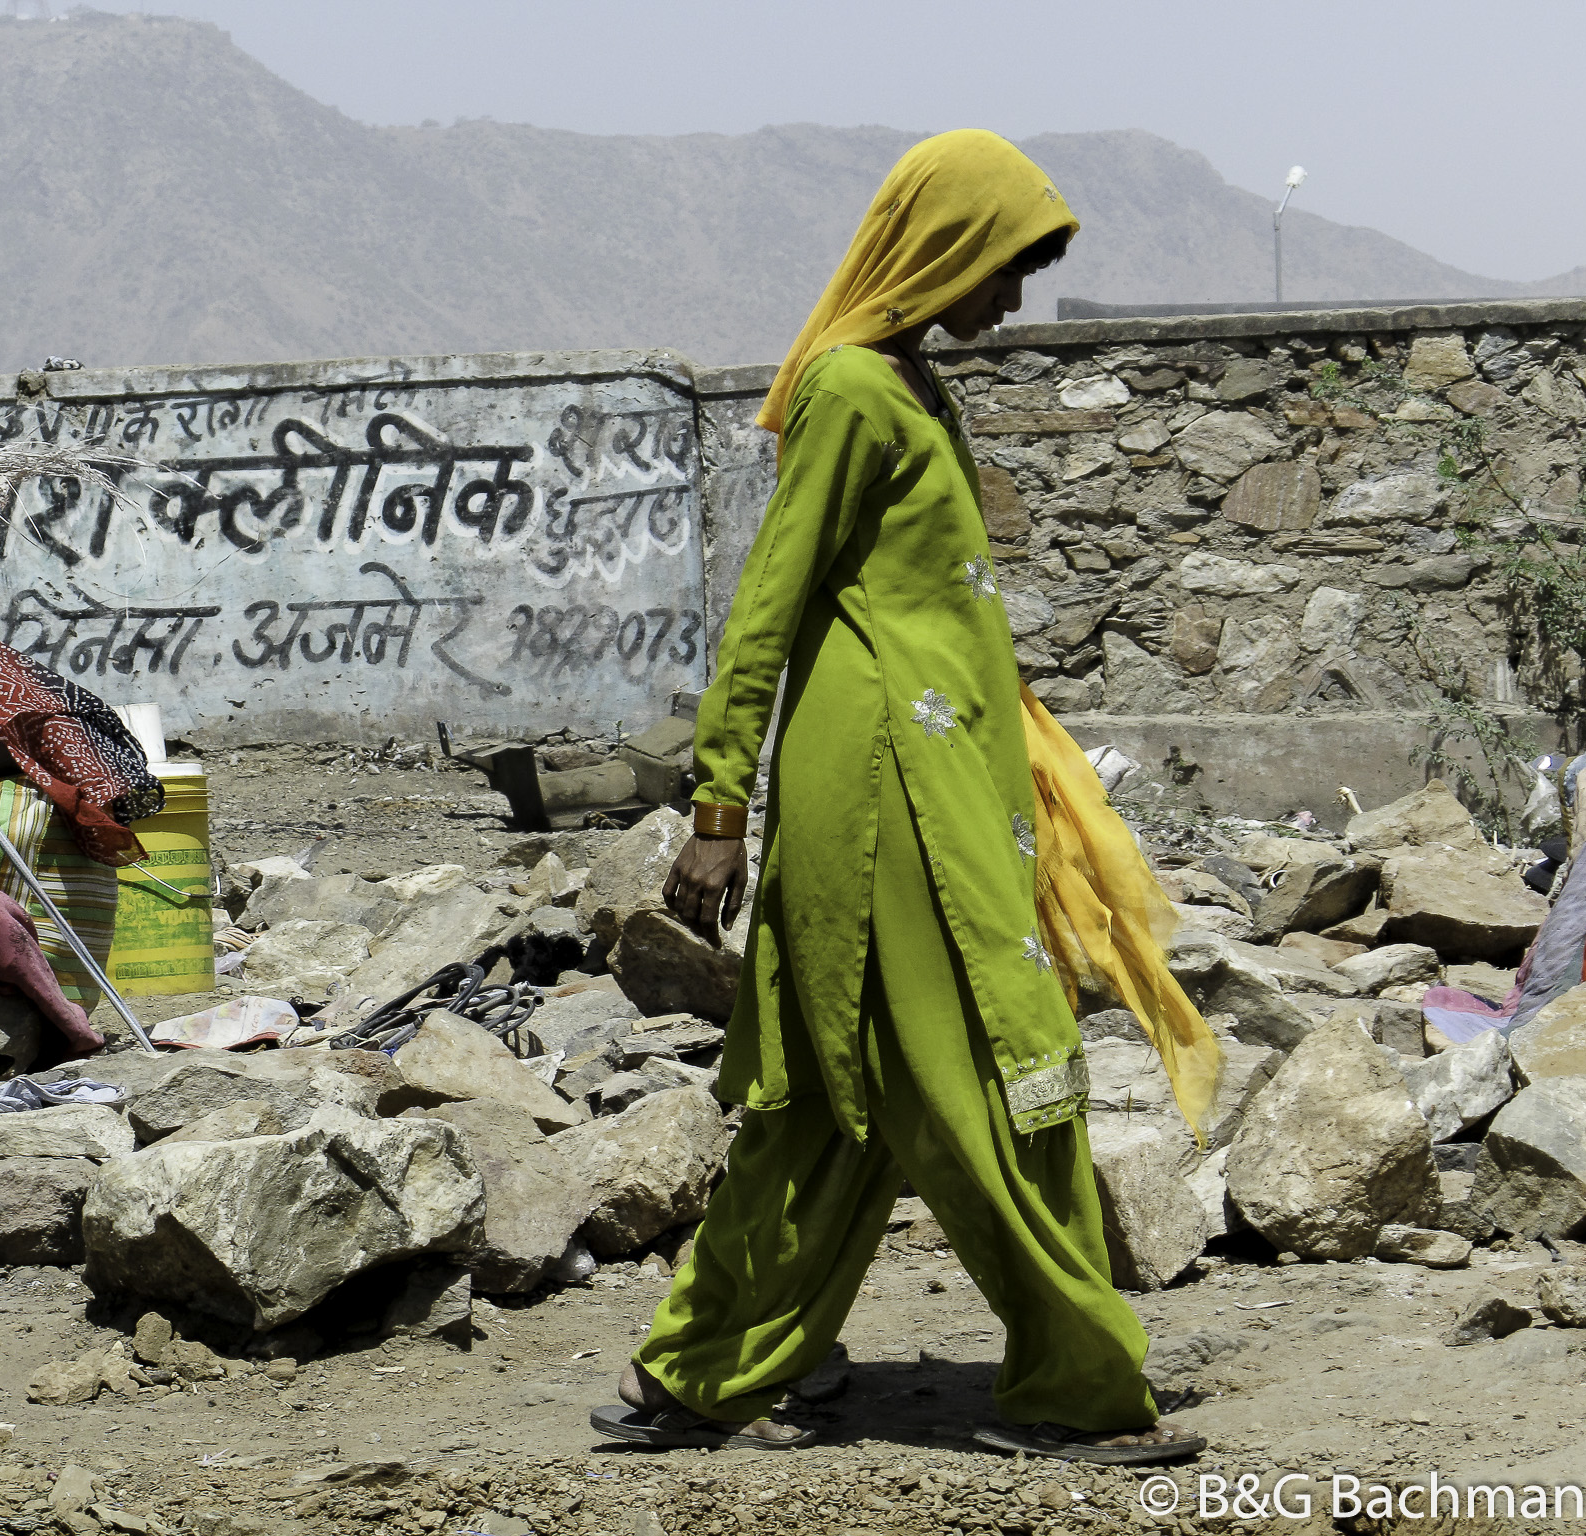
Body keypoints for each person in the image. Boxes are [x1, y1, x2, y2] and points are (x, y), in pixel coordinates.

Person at [587, 130, 1207, 1465]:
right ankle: (1076, 1383)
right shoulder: (852, 392)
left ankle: (701, 1370)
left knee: (823, 1104)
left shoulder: (917, 390)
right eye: (1005, 267)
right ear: (941, 247)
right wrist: (716, 810)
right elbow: (769, 605)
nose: (1014, 301)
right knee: (996, 1076)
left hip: (940, 786)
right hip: (881, 804)